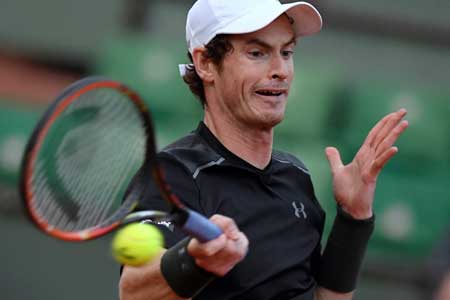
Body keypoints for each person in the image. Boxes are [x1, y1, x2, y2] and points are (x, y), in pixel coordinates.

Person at [119, 0, 408, 299]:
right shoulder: (172, 173)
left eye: (286, 52)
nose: (280, 70)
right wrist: (197, 260)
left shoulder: (296, 177)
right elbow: (133, 292)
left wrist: (353, 219)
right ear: (205, 63)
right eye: (257, 53)